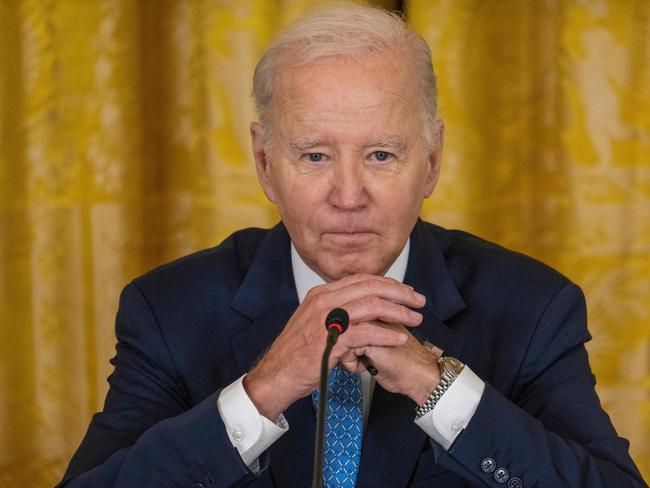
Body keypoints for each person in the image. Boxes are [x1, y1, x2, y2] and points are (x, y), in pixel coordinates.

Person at [59, 4, 647, 487]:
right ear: (265, 165)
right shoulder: (168, 310)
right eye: (314, 155)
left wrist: (436, 386)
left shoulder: (533, 307)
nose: (348, 195)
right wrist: (262, 392)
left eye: (380, 155)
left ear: (432, 162)